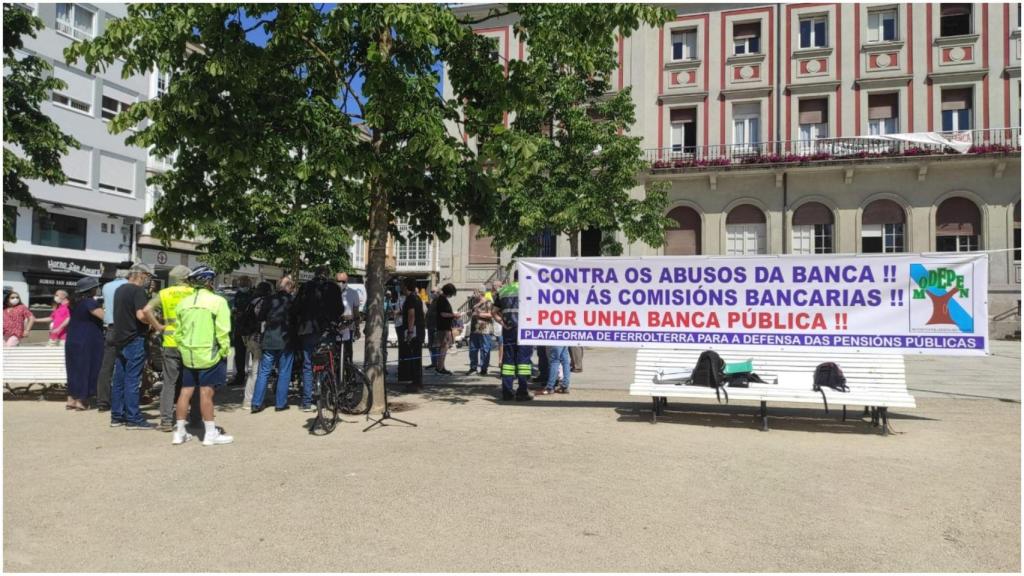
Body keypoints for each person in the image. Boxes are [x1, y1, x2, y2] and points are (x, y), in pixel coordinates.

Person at [171, 265, 233, 446]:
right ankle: (210, 434)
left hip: (189, 353)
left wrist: (184, 348)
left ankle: (179, 432)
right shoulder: (218, 302)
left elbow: (178, 332)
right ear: (208, 281)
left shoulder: (184, 303)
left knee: (185, 392)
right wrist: (224, 350)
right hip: (209, 352)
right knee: (206, 393)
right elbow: (223, 330)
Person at [109, 263, 164, 429]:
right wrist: (155, 323)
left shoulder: (120, 289)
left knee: (119, 380)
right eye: (147, 276)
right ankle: (133, 418)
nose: (149, 280)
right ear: (140, 275)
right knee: (133, 380)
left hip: (120, 338)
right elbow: (141, 315)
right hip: (135, 338)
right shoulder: (138, 291)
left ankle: (117, 416)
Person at [142, 265, 194, 431]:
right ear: (186, 278)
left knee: (169, 383)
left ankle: (165, 421)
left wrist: (158, 326)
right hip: (190, 343)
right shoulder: (194, 293)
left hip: (170, 342)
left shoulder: (164, 293)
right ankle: (192, 417)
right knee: (191, 382)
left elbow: (146, 310)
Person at [292, 267, 342, 412]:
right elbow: (339, 309)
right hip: (327, 330)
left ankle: (307, 401)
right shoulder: (333, 288)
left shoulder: (306, 287)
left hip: (308, 330)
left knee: (308, 365)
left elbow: (296, 308)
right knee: (327, 363)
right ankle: (326, 399)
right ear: (328, 275)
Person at [251, 276, 296, 413]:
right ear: (288, 287)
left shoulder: (269, 299)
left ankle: (256, 403)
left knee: (264, 372)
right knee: (284, 372)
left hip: (270, 339)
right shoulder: (292, 301)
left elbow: (260, 317)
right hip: (286, 340)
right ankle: (280, 403)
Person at [64, 277, 105, 411]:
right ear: (90, 289)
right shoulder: (89, 302)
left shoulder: (74, 302)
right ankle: (81, 400)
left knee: (73, 369)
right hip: (87, 339)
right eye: (95, 287)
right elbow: (104, 317)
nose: (97, 289)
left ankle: (71, 399)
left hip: (72, 338)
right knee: (87, 368)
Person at [492, 271, 533, 401]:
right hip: (525, 330)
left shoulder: (503, 290)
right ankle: (522, 392)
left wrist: (502, 324)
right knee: (523, 362)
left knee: (508, 362)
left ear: (513, 278)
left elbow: (493, 312)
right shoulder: (530, 289)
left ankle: (507, 392)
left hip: (508, 330)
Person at [96, 269, 130, 412]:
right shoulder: (130, 286)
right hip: (126, 329)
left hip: (110, 327)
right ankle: (125, 401)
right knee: (128, 366)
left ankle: (103, 401)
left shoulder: (106, 286)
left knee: (106, 367)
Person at [237, 281, 272, 410]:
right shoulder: (263, 302)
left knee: (254, 370)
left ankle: (251, 397)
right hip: (259, 339)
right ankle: (249, 400)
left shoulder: (252, 301)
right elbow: (262, 321)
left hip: (250, 338)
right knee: (256, 372)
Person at [399, 277, 425, 392]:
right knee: (416, 357)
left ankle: (416, 383)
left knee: (414, 357)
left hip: (413, 331)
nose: (401, 287)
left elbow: (411, 315)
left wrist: (409, 332)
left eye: (402, 285)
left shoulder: (411, 298)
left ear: (406, 286)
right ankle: (416, 382)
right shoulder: (417, 297)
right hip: (418, 330)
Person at [334, 271, 362, 372]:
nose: (340, 283)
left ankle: (350, 377)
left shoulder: (353, 293)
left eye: (343, 281)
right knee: (334, 355)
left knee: (348, 354)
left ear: (346, 281)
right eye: (338, 281)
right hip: (334, 328)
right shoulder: (331, 293)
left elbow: (356, 312)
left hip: (348, 328)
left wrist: (357, 328)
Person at [230, 276, 254, 387]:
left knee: (253, 355)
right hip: (240, 329)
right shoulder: (237, 295)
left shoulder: (253, 295)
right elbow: (233, 310)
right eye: (242, 283)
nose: (243, 285)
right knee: (239, 355)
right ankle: (240, 377)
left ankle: (253, 377)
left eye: (245, 283)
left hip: (250, 329)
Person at [467, 288, 493, 375]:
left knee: (484, 349)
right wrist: (470, 313)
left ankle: (484, 369)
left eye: (475, 292)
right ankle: (473, 368)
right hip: (474, 329)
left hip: (484, 329)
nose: (473, 294)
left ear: (481, 293)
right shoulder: (474, 302)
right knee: (472, 349)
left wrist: (479, 314)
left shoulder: (488, 302)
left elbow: (490, 315)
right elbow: (471, 312)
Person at [433, 284, 456, 375]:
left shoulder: (442, 299)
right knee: (444, 347)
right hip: (443, 327)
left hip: (444, 326)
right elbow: (443, 314)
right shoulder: (442, 300)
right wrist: (454, 315)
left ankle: (441, 366)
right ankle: (440, 367)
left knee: (443, 347)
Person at [425, 289, 440, 369]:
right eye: (431, 292)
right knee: (431, 346)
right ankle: (433, 362)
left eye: (433, 292)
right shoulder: (433, 302)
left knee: (436, 346)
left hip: (436, 327)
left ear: (438, 293)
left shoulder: (439, 302)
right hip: (430, 326)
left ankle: (437, 363)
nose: (431, 293)